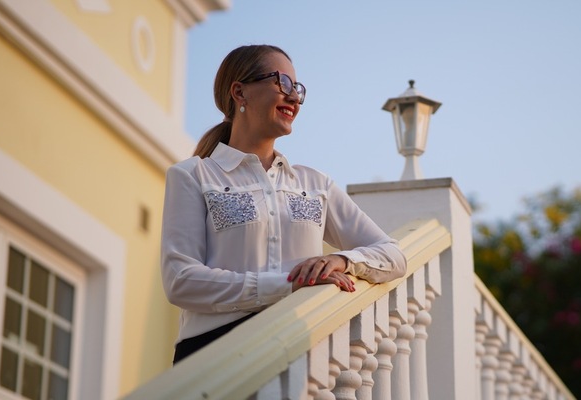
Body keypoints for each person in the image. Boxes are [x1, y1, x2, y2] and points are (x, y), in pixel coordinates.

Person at [160, 44, 407, 364]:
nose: (294, 97)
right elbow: (181, 281)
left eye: (297, 88)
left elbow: (393, 256)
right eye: (282, 83)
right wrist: (288, 286)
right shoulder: (193, 175)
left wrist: (342, 261)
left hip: (300, 352)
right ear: (239, 92)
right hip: (213, 353)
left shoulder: (315, 184)